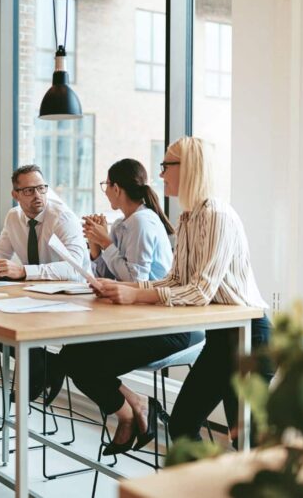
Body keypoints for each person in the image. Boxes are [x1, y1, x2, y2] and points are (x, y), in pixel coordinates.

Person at [95, 137, 273, 447]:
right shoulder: (189, 217)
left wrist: (136, 295)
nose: (160, 175)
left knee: (248, 441)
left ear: (188, 168)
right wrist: (127, 286)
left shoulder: (216, 215)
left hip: (249, 339)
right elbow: (174, 280)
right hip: (221, 338)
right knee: (182, 428)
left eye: (166, 166)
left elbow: (199, 292)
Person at [60, 158, 191, 455]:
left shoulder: (144, 222)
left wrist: (107, 244)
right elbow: (109, 280)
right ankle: (134, 405)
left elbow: (136, 279)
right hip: (136, 317)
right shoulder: (122, 224)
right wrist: (96, 248)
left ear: (117, 188)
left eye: (107, 185)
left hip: (161, 322)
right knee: (73, 355)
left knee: (77, 360)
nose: (105, 191)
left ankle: (131, 411)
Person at [0, 164, 91, 403]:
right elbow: (0, 252)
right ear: (15, 195)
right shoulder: (13, 217)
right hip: (34, 296)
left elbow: (76, 269)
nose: (37, 195)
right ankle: (47, 366)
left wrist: (24, 271)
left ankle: (39, 369)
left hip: (72, 297)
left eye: (42, 188)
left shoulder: (62, 218)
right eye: (29, 191)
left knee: (8, 330)